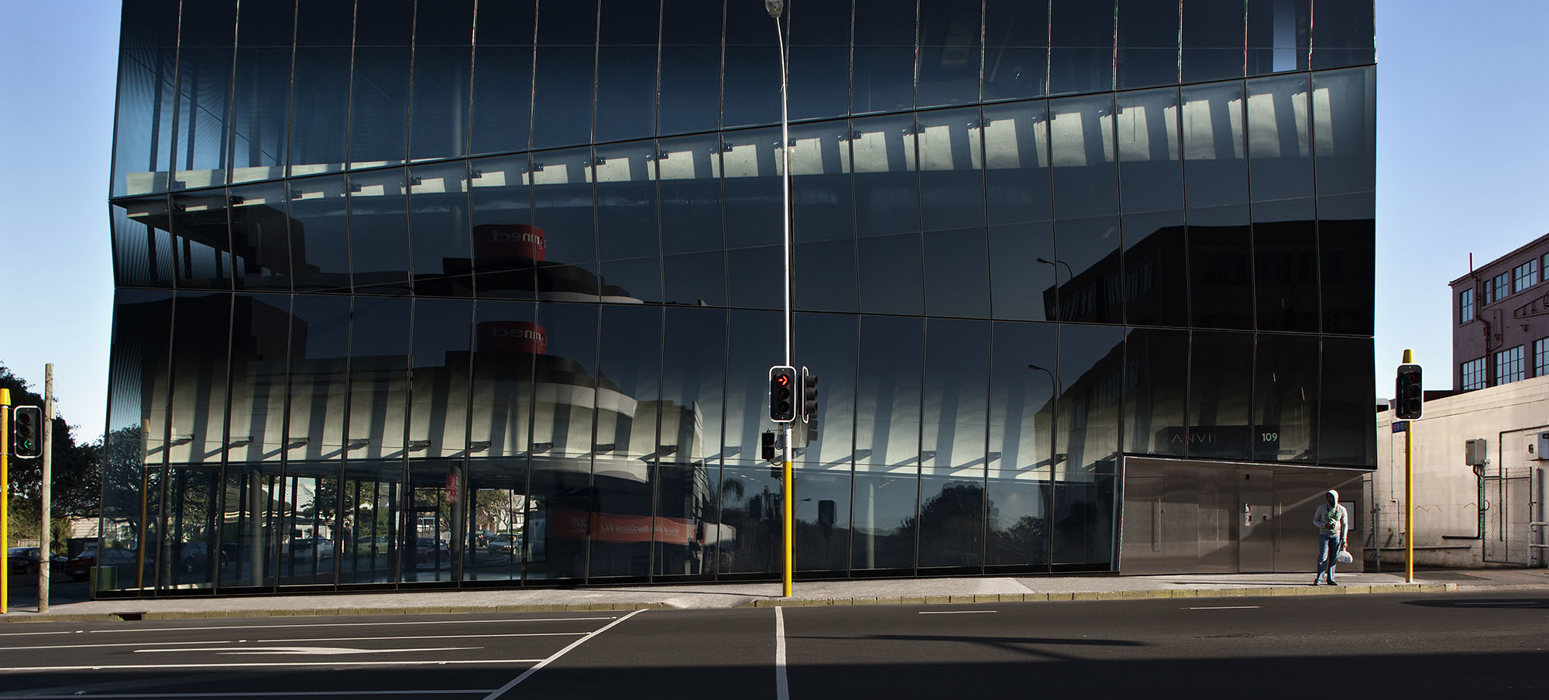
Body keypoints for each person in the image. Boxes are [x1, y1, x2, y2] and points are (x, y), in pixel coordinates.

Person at [1311, 489, 1348, 585]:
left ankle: (1331, 578)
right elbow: (1315, 520)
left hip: (1336, 535)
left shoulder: (1341, 509)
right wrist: (1323, 525)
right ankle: (1319, 578)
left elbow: (1344, 524)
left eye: (1331, 497)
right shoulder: (1322, 508)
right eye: (1328, 497)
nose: (1330, 499)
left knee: (1333, 557)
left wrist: (1344, 539)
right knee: (1323, 556)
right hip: (1324, 534)